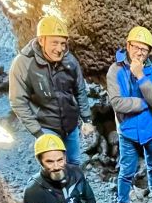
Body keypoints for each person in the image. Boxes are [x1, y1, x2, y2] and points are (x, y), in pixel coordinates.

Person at [9, 14, 95, 166]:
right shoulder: (24, 63)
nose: (60, 49)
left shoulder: (70, 61)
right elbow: (18, 101)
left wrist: (86, 120)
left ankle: (75, 190)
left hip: (70, 125)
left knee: (74, 163)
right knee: (54, 167)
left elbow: (80, 90)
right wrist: (38, 132)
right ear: (41, 40)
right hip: (46, 126)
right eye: (54, 43)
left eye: (63, 43)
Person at [106, 26, 152, 203]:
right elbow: (116, 102)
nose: (140, 52)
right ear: (128, 45)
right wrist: (142, 104)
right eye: (137, 47)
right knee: (126, 171)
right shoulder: (115, 70)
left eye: (145, 49)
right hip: (128, 131)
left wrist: (141, 76)